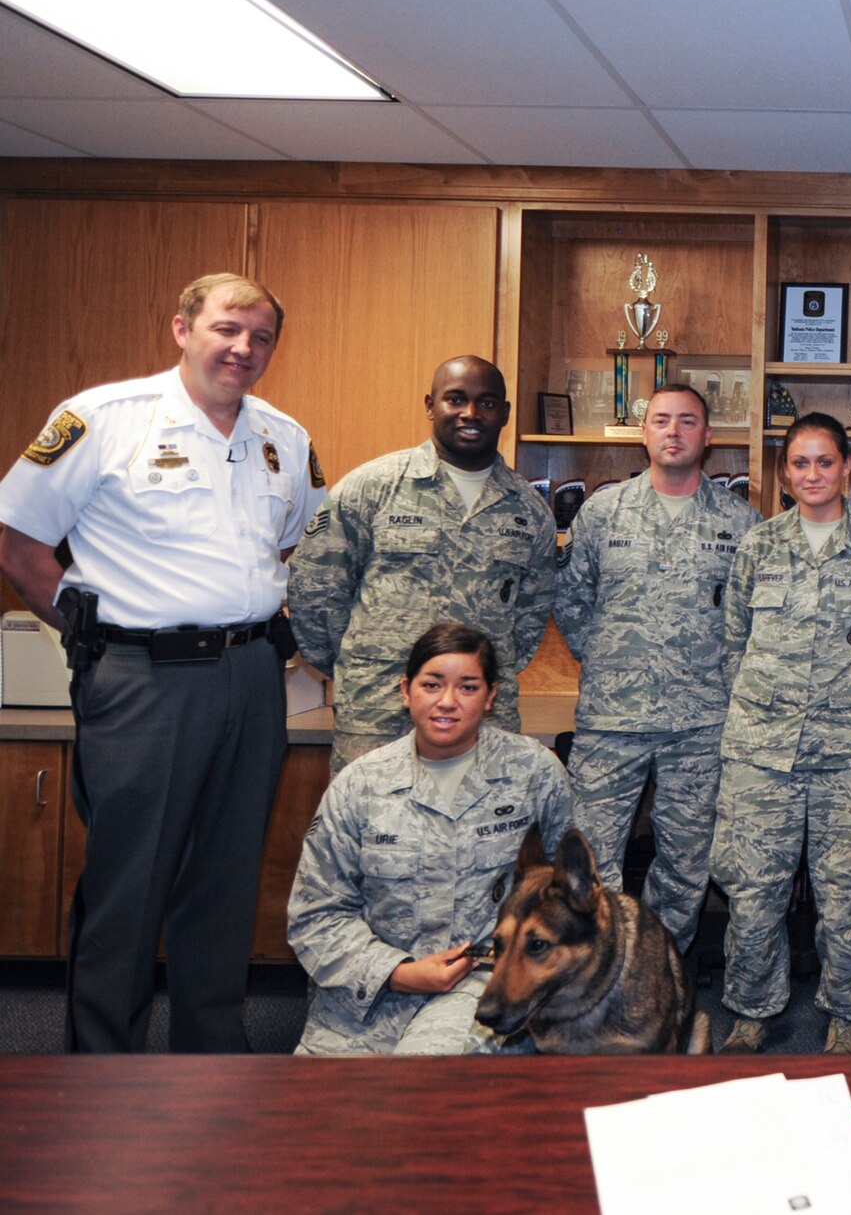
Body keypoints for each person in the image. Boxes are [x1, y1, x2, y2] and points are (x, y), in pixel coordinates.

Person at [0, 273, 323, 1052]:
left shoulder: (285, 437)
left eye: (261, 336)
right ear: (182, 328)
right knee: (129, 882)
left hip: (252, 677)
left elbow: (292, 543)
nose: (243, 347)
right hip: (143, 680)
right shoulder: (105, 418)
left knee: (226, 877)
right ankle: (103, 1065)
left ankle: (210, 1058)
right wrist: (91, 636)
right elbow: (19, 545)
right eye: (226, 328)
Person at [710, 413, 851, 1055]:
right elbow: (733, 643)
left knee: (849, 893)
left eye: (826, 461)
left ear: (847, 467)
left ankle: (847, 1013)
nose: (813, 474)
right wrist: (765, 709)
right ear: (784, 473)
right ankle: (750, 1010)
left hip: (850, 752)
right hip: (761, 750)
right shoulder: (758, 547)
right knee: (753, 892)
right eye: (800, 463)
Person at [286, 622, 577, 1055]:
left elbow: (583, 896)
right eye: (432, 684)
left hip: (485, 986)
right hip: (369, 993)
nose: (447, 701)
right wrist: (398, 972)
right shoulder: (361, 785)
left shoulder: (533, 774)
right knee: (317, 1098)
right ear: (407, 691)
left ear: (491, 697)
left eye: (468, 687)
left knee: (419, 1083)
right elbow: (315, 915)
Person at [555, 384, 759, 951]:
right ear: (644, 433)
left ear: (707, 436)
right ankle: (600, 977)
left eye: (687, 421)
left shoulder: (741, 522)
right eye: (662, 420)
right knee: (590, 862)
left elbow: (750, 620)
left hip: (700, 724)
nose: (674, 431)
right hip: (611, 720)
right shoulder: (604, 511)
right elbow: (570, 598)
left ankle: (657, 975)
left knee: (686, 867)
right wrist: (608, 658)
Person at [288, 355, 556, 775]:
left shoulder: (529, 509)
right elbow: (315, 590)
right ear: (431, 406)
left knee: (479, 814)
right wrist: (363, 665)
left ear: (504, 413)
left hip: (483, 714)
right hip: (378, 709)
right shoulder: (373, 487)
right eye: (456, 399)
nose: (470, 413)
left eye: (486, 403)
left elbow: (532, 615)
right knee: (371, 813)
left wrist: (483, 675)